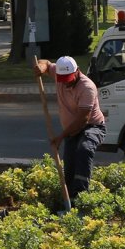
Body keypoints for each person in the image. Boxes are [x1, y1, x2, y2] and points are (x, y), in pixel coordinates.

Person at [33, 55, 106, 210]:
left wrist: (60, 137)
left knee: (84, 150)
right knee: (70, 167)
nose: (65, 82)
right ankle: (69, 202)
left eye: (68, 78)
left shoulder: (87, 87)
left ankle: (82, 198)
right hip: (72, 131)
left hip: (92, 127)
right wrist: (41, 68)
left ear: (77, 71)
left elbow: (82, 119)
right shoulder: (60, 74)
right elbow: (46, 62)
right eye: (62, 79)